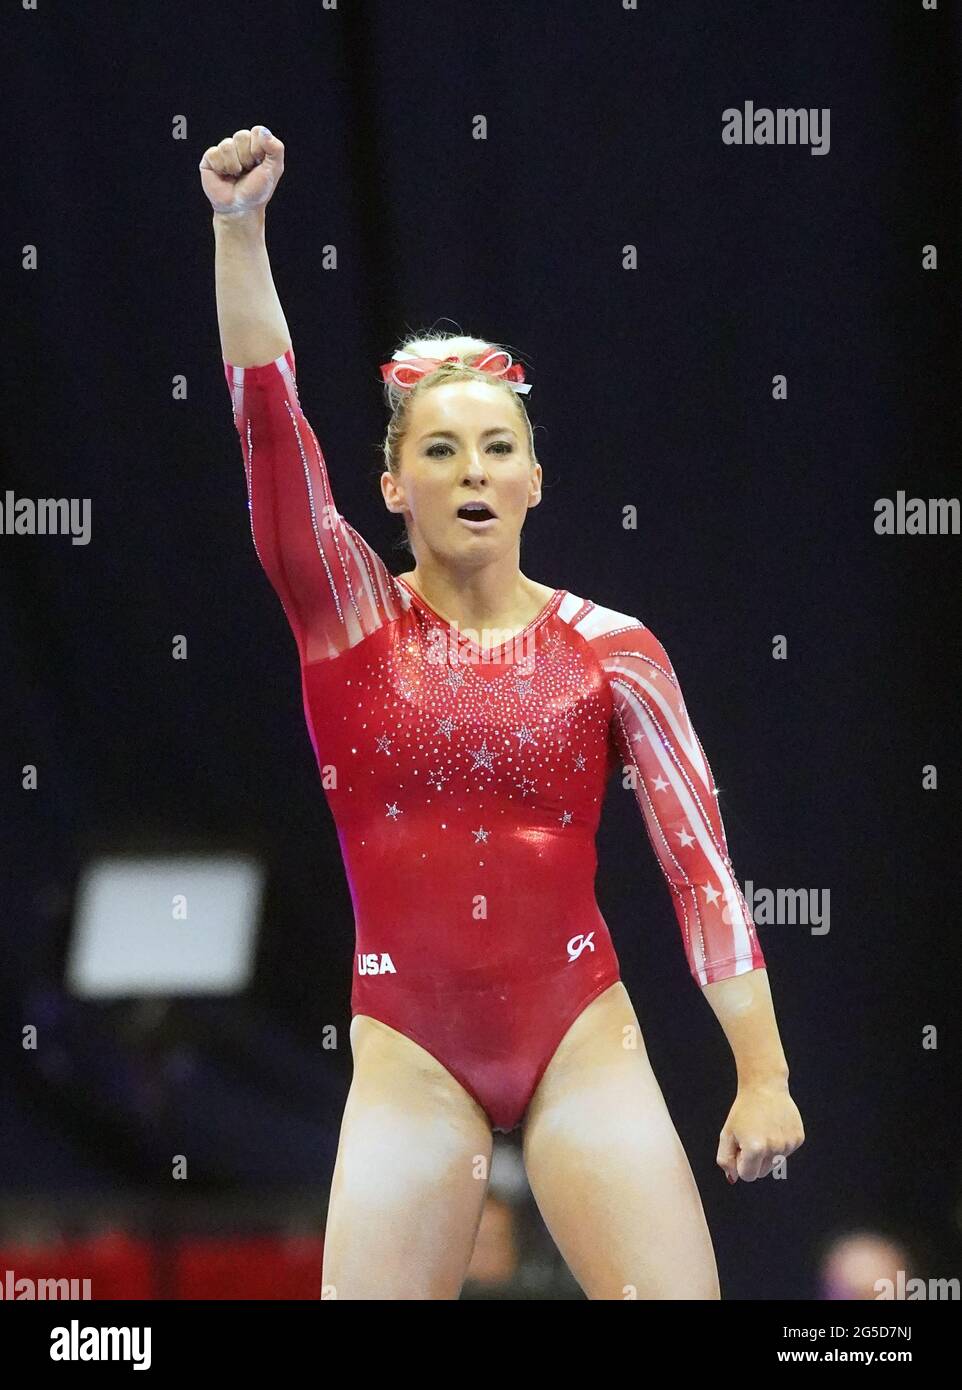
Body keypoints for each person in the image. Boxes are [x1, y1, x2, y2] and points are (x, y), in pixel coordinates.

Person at [200, 125, 805, 1300]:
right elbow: (269, 429)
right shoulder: (348, 620)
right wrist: (238, 232)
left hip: (583, 1028)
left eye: (496, 448)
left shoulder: (613, 649)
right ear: (390, 486)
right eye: (439, 449)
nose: (471, 470)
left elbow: (701, 873)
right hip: (409, 1046)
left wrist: (762, 1071)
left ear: (534, 477)